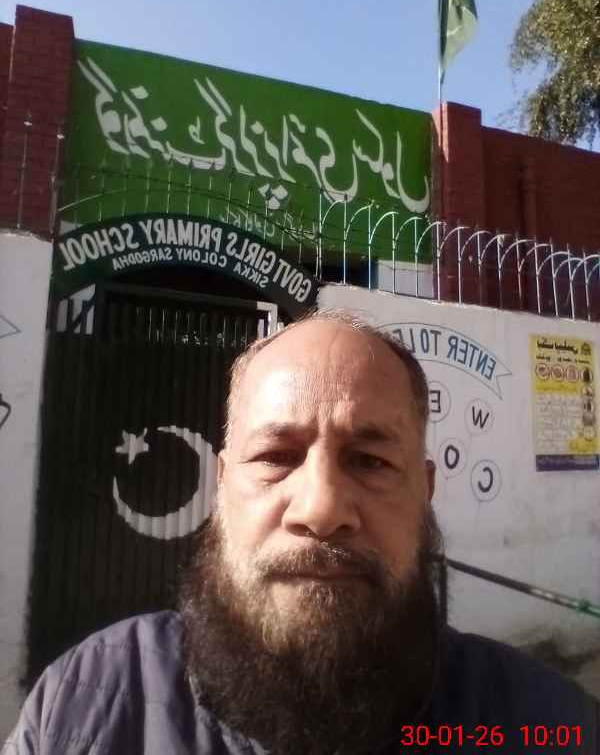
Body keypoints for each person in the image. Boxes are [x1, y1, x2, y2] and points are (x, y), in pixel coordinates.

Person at [3, 311, 598, 755]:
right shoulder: (81, 703)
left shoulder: (546, 723)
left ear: (425, 490)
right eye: (275, 456)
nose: (320, 509)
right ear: (221, 485)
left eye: (370, 461)